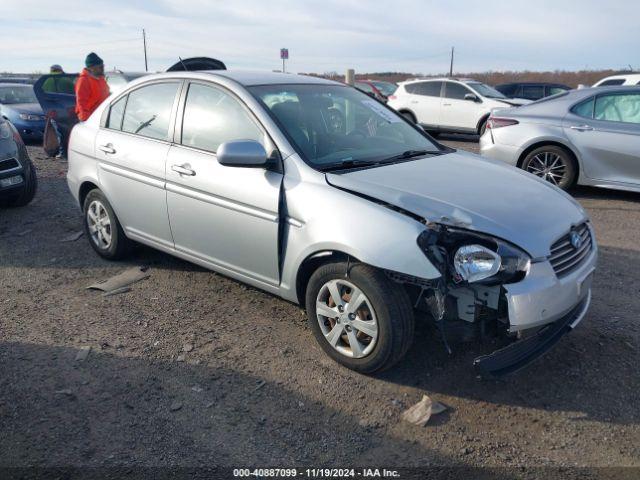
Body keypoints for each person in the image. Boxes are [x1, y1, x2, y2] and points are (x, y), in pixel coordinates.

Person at [75, 52, 109, 122]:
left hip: (102, 116)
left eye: (103, 66)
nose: (103, 68)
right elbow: (81, 102)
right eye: (100, 67)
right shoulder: (83, 80)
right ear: (92, 68)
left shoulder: (101, 79)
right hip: (90, 119)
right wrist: (87, 120)